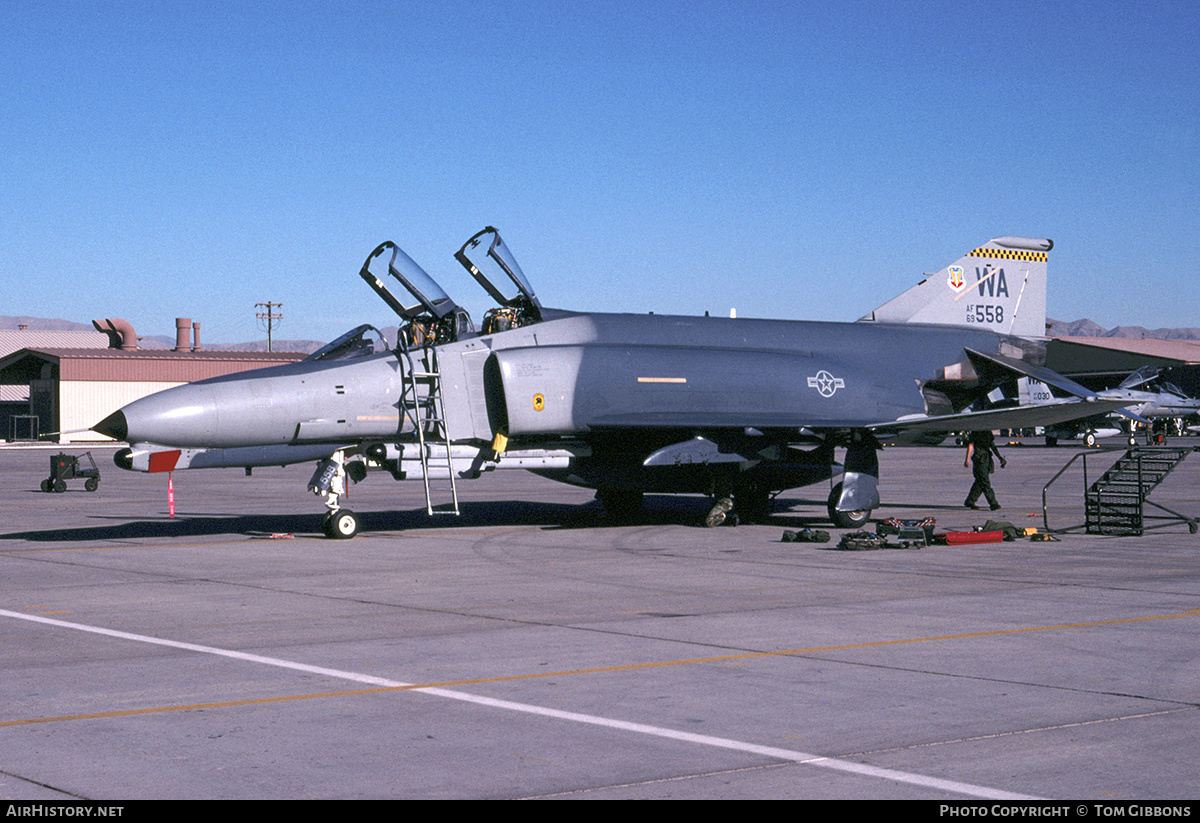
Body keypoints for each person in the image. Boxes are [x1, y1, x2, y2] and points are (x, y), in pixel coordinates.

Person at [964, 430, 1006, 510]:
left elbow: (992, 446)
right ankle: (993, 503)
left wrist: (1000, 458)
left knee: (980, 482)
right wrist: (967, 459)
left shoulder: (987, 431)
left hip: (986, 459)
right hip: (979, 459)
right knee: (984, 481)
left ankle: (970, 500)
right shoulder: (976, 431)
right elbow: (971, 445)